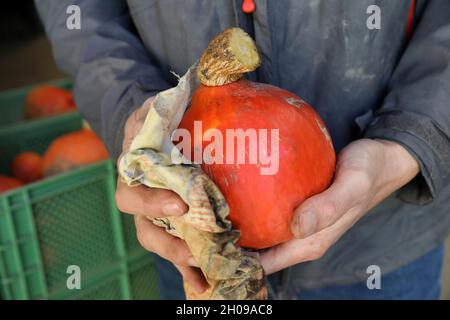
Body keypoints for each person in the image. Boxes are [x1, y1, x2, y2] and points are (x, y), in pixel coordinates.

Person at [36, 0, 450, 299]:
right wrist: (134, 114)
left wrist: (410, 138)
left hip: (384, 243)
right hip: (194, 248)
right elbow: (80, 17)